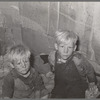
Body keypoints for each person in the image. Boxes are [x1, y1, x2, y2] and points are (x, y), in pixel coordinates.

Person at [48, 30, 97, 98]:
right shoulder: (52, 56)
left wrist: (92, 82)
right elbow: (52, 64)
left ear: (74, 48)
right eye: (62, 46)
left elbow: (89, 70)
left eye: (69, 47)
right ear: (56, 46)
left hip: (77, 87)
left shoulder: (78, 59)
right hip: (60, 84)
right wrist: (52, 71)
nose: (65, 51)